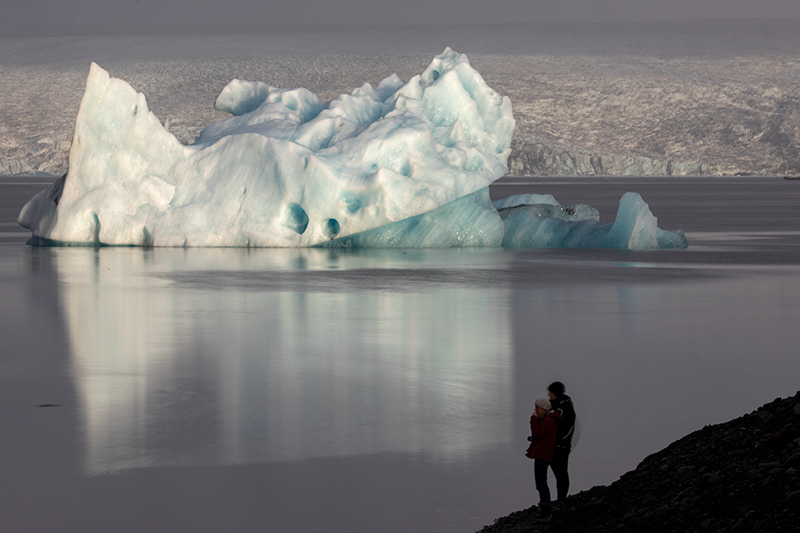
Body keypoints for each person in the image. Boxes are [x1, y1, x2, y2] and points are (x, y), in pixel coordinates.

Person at [525, 397, 560, 517]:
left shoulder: (547, 421)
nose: (535, 410)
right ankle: (545, 506)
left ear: (543, 409)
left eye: (537, 408)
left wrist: (533, 419)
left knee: (540, 483)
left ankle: (545, 510)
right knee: (541, 482)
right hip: (544, 454)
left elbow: (537, 433)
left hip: (543, 455)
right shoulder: (549, 419)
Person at [547, 381, 577, 502]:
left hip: (561, 446)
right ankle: (560, 499)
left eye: (551, 392)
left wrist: (559, 442)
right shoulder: (556, 405)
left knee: (561, 474)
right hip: (556, 445)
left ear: (557, 393)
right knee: (560, 473)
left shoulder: (565, 408)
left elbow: (568, 428)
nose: (549, 394)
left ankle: (561, 500)